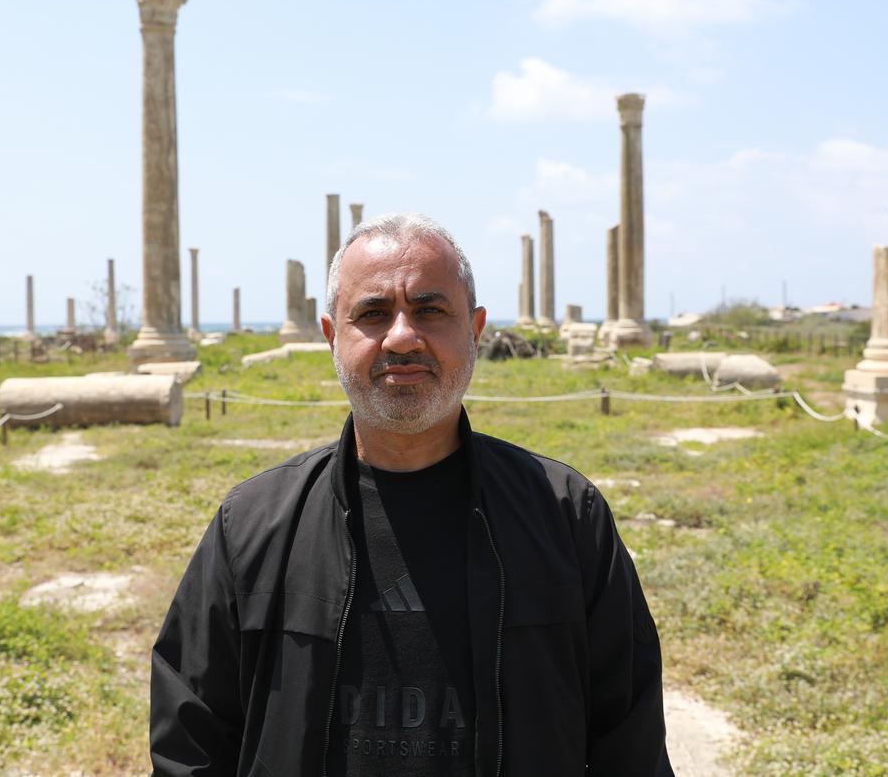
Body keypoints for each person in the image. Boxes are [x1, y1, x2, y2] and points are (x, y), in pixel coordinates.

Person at [151, 214, 673, 776]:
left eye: (430, 310)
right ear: (332, 337)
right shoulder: (251, 526)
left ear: (474, 331)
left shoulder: (567, 516)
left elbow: (630, 742)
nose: (402, 336)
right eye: (373, 314)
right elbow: (191, 742)